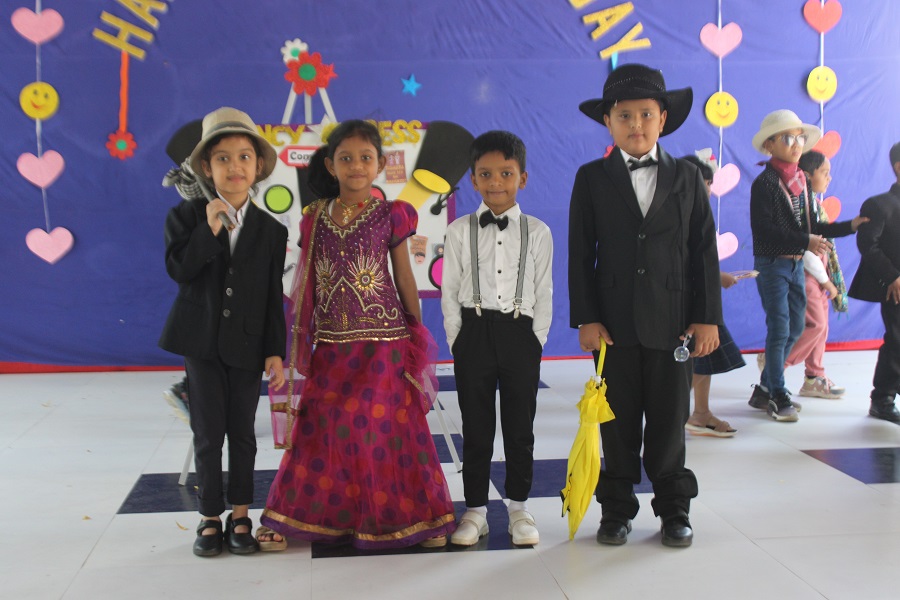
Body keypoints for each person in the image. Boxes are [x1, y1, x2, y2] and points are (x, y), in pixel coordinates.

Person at [260, 120, 456, 550]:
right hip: (332, 343)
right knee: (324, 426)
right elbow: (308, 282)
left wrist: (415, 329)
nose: (356, 166)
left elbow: (404, 275)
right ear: (331, 165)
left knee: (383, 426)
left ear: (380, 164)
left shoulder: (392, 214)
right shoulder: (314, 218)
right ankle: (306, 516)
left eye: (366, 158)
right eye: (346, 158)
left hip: (385, 343)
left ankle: (416, 519)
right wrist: (302, 335)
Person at [569, 63, 722, 548]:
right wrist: (587, 317)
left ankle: (674, 509)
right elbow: (580, 252)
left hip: (674, 323)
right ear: (608, 122)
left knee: (670, 422)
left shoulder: (687, 177)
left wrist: (707, 317)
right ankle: (616, 511)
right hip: (613, 326)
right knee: (615, 423)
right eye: (624, 116)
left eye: (646, 114)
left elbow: (703, 251)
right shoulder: (591, 178)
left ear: (663, 118)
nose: (635, 124)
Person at [158, 107, 288, 557]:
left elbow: (272, 294)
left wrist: (275, 350)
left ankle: (241, 513)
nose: (235, 167)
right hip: (200, 341)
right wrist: (209, 229)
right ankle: (210, 516)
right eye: (223, 158)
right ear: (206, 167)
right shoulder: (185, 217)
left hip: (249, 344)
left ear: (258, 165)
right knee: (208, 433)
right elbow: (180, 270)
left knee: (243, 433)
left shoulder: (271, 229)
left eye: (244, 157)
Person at [441, 131, 553, 546]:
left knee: (520, 427)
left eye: (506, 173)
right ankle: (475, 510)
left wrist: (536, 339)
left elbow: (544, 290)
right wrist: (458, 339)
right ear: (473, 179)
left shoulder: (538, 231)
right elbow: (450, 291)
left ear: (522, 178)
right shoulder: (459, 230)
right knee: (476, 427)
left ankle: (519, 507)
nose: (495, 183)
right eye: (485, 174)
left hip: (520, 332)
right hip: (473, 333)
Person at [748, 110, 866, 422]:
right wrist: (805, 241)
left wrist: (850, 226)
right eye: (788, 138)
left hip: (796, 266)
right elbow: (764, 230)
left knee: (798, 327)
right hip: (773, 264)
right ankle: (778, 393)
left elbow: (814, 226)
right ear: (770, 145)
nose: (796, 144)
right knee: (780, 328)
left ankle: (764, 388)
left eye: (800, 138)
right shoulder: (765, 183)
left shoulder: (801, 180)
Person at [680, 153, 744, 438]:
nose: (708, 187)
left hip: (702, 302)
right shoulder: (678, 213)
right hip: (684, 300)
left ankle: (701, 412)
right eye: (704, 181)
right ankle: (671, 410)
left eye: (709, 182)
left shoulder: (699, 211)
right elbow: (684, 262)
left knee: (703, 357)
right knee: (689, 361)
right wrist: (718, 277)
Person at [782, 150, 847, 399]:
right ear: (807, 176)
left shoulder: (815, 205)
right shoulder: (800, 207)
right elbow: (806, 251)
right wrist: (825, 281)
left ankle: (814, 376)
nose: (829, 178)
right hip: (807, 275)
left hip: (819, 276)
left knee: (823, 327)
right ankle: (778, 362)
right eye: (825, 173)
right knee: (815, 324)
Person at [848, 142, 900, 423]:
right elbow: (868, 244)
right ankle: (883, 399)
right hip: (895, 286)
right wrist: (892, 276)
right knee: (897, 340)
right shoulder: (879, 204)